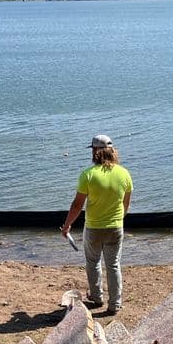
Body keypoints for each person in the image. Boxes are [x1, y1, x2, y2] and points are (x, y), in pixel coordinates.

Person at [60, 134, 133, 316]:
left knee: (93, 262)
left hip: (93, 227)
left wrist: (67, 226)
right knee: (113, 264)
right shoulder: (124, 173)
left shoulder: (88, 175)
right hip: (116, 227)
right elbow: (126, 203)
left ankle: (96, 296)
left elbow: (77, 205)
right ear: (112, 151)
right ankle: (115, 304)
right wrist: (118, 220)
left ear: (95, 152)